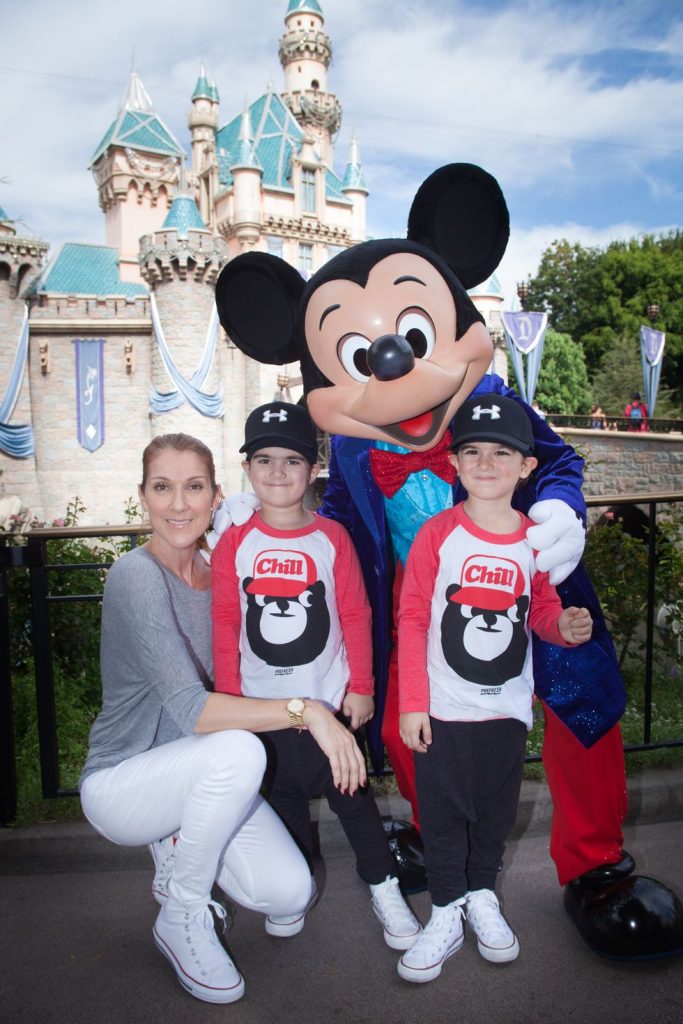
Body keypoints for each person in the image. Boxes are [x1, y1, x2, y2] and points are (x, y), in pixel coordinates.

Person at [79, 433, 367, 1006]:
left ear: (215, 497)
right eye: (162, 487)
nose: (178, 504)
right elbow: (192, 709)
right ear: (142, 496)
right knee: (240, 749)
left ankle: (180, 836)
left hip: (201, 773)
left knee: (291, 893)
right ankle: (182, 912)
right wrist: (307, 711)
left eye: (193, 487)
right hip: (124, 780)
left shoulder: (222, 572)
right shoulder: (136, 574)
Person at [396, 395, 593, 982]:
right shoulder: (436, 535)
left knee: (493, 813)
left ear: (526, 466)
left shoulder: (534, 542)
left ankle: (482, 893)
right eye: (473, 452)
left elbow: (542, 611)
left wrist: (563, 627)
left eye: (501, 453)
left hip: (505, 710)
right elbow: (412, 617)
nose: (486, 463)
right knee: (442, 814)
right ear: (454, 463)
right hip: (443, 709)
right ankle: (446, 908)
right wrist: (412, 702)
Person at [211, 401, 422, 952]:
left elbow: (356, 614)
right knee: (284, 806)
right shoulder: (234, 542)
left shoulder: (331, 537)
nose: (278, 472)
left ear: (313, 469)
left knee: (356, 805)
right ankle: (296, 890)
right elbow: (226, 623)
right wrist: (230, 702)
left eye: (292, 461)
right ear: (247, 469)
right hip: (263, 711)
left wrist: (362, 687)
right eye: (264, 460)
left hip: (329, 705)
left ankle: (384, 887)